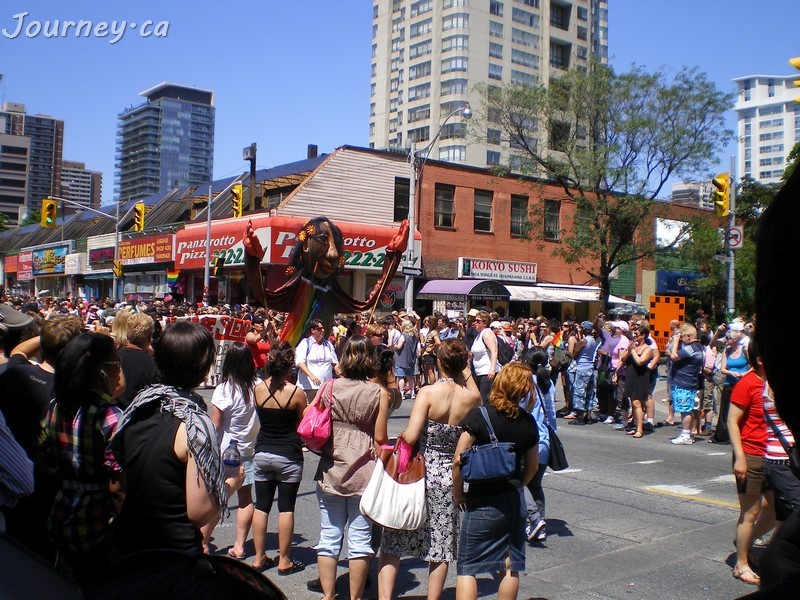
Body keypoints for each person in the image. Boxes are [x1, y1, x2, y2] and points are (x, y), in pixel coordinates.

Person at [106, 321, 245, 563]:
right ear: (203, 367)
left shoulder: (138, 407)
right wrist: (231, 483)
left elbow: (117, 482)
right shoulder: (194, 424)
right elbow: (198, 512)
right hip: (171, 552)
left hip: (127, 543)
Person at [378, 340, 481, 600]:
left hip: (419, 472)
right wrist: (466, 369)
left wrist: (401, 437)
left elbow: (412, 436)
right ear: (463, 365)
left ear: (439, 362)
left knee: (394, 539)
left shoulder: (428, 392)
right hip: (448, 475)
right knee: (441, 544)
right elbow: (477, 394)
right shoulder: (471, 398)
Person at [43, 333, 124, 592]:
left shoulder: (56, 406)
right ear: (102, 371)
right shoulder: (110, 416)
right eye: (117, 364)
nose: (120, 371)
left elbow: (45, 460)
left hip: (61, 514)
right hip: (97, 524)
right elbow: (118, 486)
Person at [453, 363, 539, 600]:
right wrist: (518, 484)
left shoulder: (480, 416)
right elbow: (532, 466)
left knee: (468, 566)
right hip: (512, 497)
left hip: (481, 497)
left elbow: (458, 460)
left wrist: (458, 493)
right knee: (510, 565)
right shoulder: (528, 422)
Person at [0, 314, 83, 560]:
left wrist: (48, 335)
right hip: (48, 490)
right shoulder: (71, 391)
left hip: (8, 484)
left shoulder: (15, 373)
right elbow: (117, 386)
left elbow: (19, 351)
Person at [314, 335, 390, 600]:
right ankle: (355, 597)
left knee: (329, 536)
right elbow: (380, 437)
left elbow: (312, 418)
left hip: (330, 468)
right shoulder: (378, 393)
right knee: (360, 541)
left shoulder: (330, 387)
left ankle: (328, 595)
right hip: (364, 470)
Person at [201, 342, 261, 559]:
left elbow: (215, 425)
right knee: (245, 498)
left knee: (218, 495)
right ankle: (239, 545)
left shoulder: (224, 389)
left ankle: (203, 541)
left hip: (225, 450)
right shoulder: (258, 386)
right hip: (249, 447)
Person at [251, 342, 307, 574]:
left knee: (261, 506)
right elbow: (304, 424)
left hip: (263, 451)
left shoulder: (258, 389)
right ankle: (284, 560)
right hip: (288, 454)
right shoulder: (296, 393)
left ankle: (259, 557)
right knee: (286, 508)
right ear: (289, 366)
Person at [728, 339, 773, 586]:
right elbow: (732, 421)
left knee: (777, 508)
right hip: (751, 454)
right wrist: (740, 457)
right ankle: (741, 563)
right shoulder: (747, 384)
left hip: (775, 456)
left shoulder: (774, 383)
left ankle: (744, 542)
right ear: (760, 359)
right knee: (751, 511)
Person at [522, 347, 556, 542]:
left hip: (529, 440)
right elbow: (552, 416)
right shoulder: (548, 383)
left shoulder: (526, 383)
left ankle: (534, 519)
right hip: (545, 440)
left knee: (518, 481)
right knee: (535, 484)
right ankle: (539, 523)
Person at [668, 324, 705, 445]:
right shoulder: (697, 347)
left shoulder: (692, 348)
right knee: (685, 408)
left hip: (685, 383)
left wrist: (676, 341)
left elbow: (674, 356)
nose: (681, 339)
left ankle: (686, 435)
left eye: (683, 336)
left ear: (689, 336)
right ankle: (686, 433)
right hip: (686, 382)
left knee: (685, 409)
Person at [117, 311, 156, 408]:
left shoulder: (113, 358)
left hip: (114, 413)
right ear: (150, 338)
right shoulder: (153, 364)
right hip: (140, 414)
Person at [295, 319, 339, 404]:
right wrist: (311, 376)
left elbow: (335, 364)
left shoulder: (328, 345)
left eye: (323, 328)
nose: (322, 330)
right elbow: (300, 362)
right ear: (312, 330)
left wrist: (343, 375)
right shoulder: (305, 343)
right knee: (308, 410)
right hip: (308, 388)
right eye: (319, 329)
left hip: (325, 388)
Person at [623, 323, 654, 438]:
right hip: (631, 375)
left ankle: (640, 429)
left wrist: (633, 351)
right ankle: (636, 427)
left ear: (643, 335)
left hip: (641, 377)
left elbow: (640, 361)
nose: (635, 336)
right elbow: (623, 359)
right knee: (633, 402)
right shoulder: (633, 347)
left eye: (637, 334)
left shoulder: (648, 349)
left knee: (637, 402)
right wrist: (629, 350)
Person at [567, 321, 598, 425]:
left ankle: (580, 417)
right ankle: (588, 416)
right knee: (589, 392)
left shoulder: (583, 341)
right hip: (590, 368)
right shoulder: (592, 340)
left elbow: (574, 354)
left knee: (579, 392)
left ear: (585, 329)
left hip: (582, 368)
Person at [470, 310, 500, 403]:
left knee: (485, 400)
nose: (475, 323)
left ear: (485, 323)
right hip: (479, 372)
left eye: (478, 321)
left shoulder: (487, 333)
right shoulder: (479, 334)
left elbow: (494, 351)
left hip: (487, 373)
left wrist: (492, 369)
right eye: (475, 320)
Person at [394, 319, 418, 400]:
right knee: (411, 377)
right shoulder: (414, 336)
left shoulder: (403, 335)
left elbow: (399, 346)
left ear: (404, 326)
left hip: (402, 359)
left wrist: (394, 346)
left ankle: (401, 393)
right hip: (411, 359)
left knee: (400, 377)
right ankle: (412, 393)